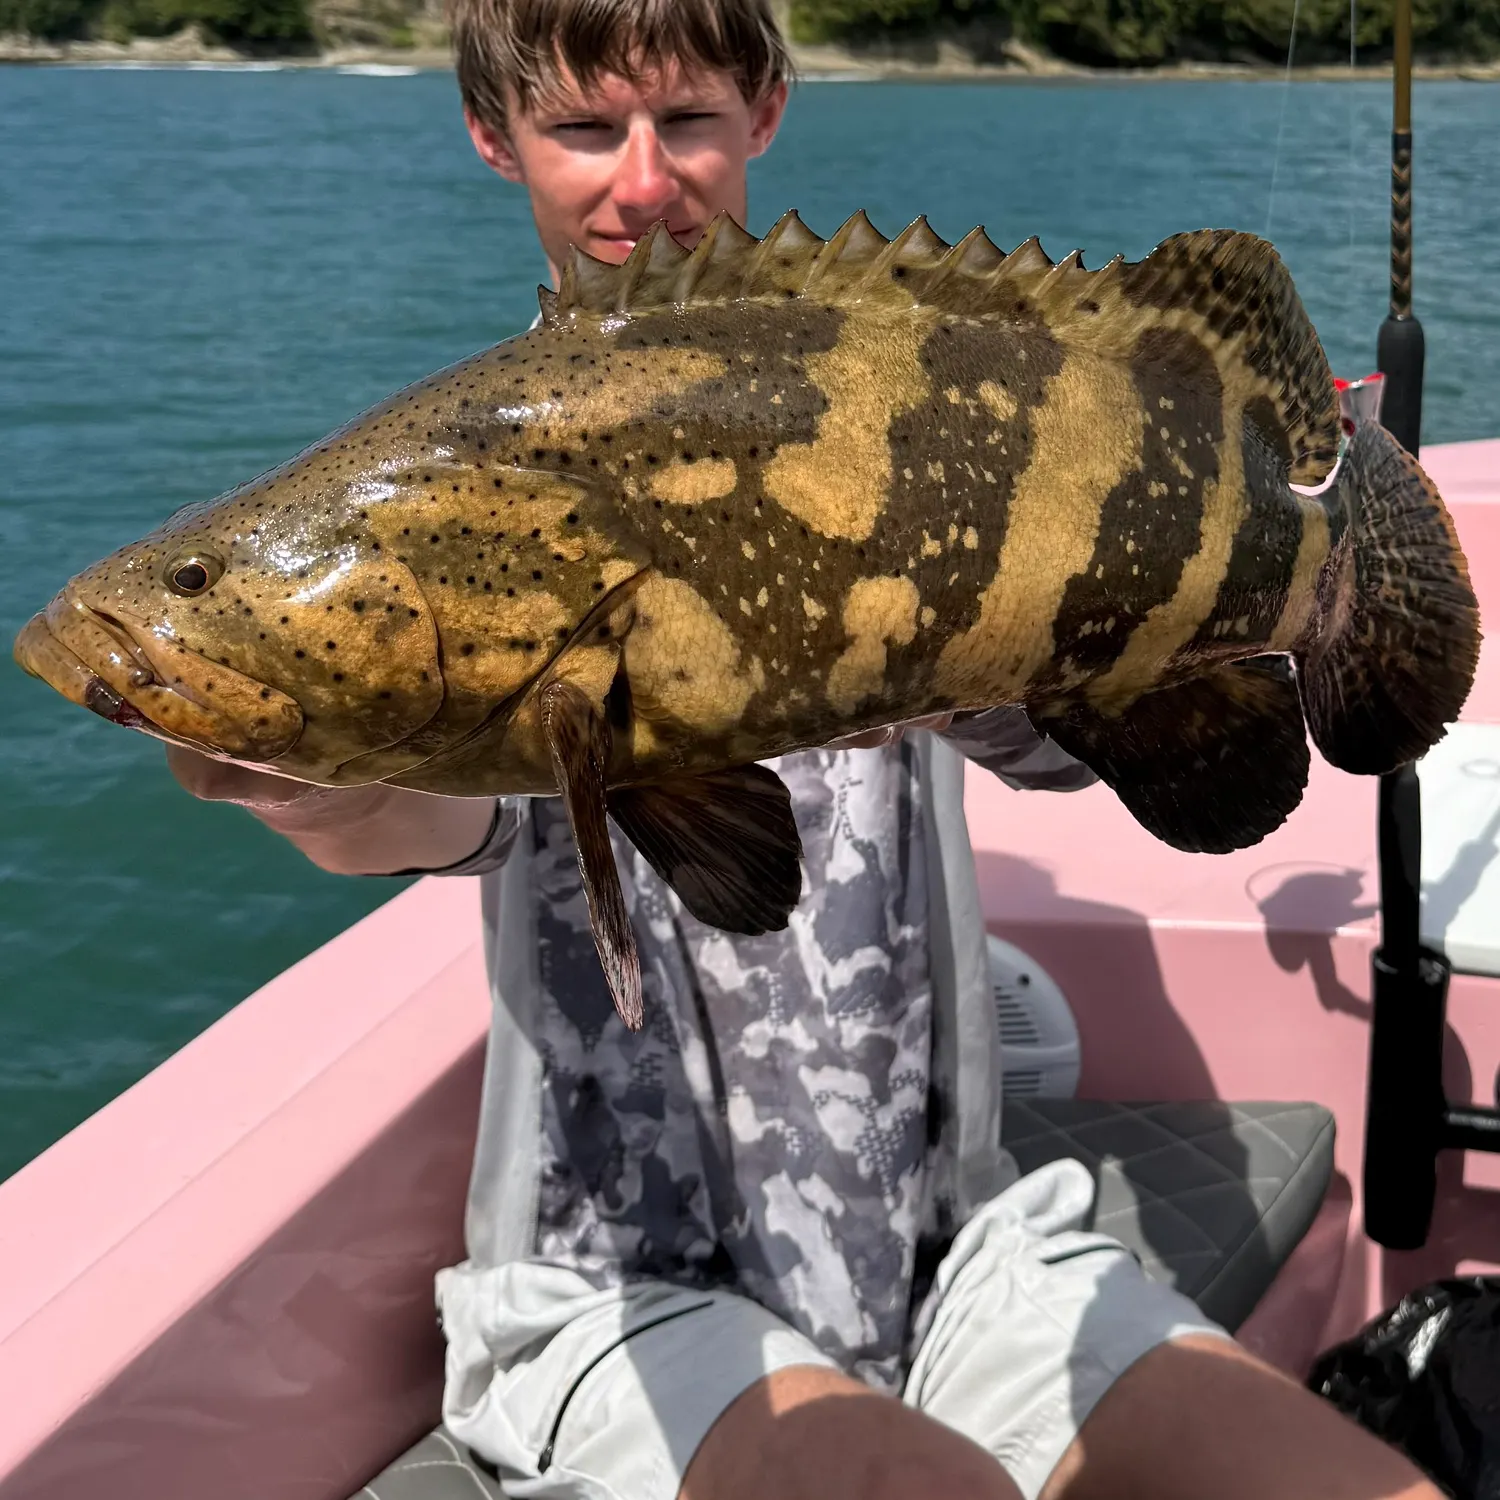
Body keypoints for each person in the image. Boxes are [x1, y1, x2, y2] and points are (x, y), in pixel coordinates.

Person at [169, 4, 1445, 1498]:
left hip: (952, 1251)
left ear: (765, 112)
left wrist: (1028, 629)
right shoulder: (470, 480)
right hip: (619, 1289)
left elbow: (1075, 752)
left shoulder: (896, 393)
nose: (643, 184)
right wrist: (307, 776)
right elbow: (429, 816)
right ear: (495, 136)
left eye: (689, 122)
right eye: (585, 130)